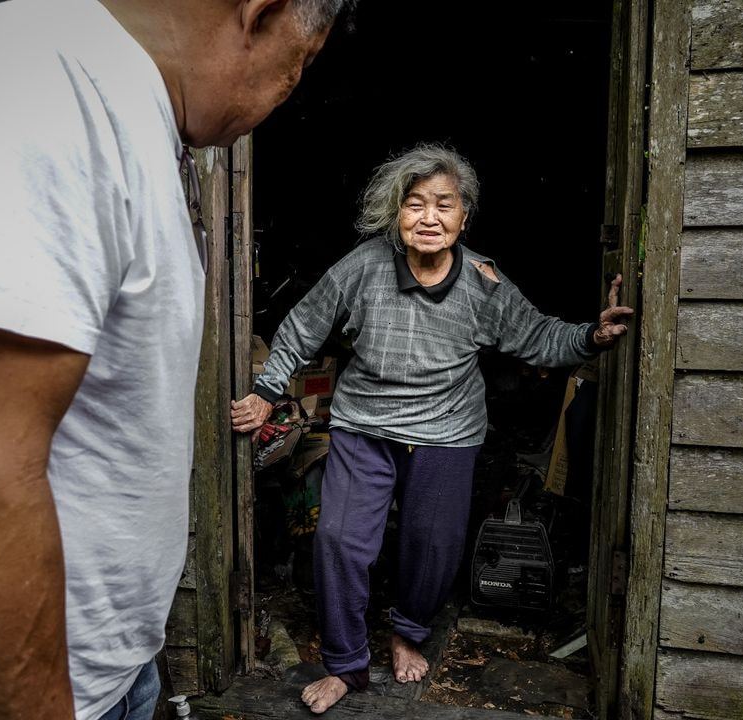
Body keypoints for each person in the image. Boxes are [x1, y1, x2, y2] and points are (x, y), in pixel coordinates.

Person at [0, 0, 346, 718]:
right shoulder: (39, 82)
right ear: (262, 10)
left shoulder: (133, 111)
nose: (288, 88)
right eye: (301, 62)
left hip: (97, 671)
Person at [230, 144, 634, 714]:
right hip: (364, 424)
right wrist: (267, 393)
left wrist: (591, 336)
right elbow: (303, 326)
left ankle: (407, 631)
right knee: (340, 541)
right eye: (415, 205)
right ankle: (346, 665)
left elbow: (538, 335)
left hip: (448, 429)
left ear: (463, 217)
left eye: (443, 206)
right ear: (396, 214)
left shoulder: (483, 281)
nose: (429, 218)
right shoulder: (364, 265)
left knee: (434, 546)